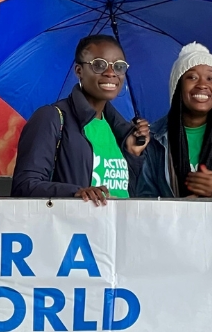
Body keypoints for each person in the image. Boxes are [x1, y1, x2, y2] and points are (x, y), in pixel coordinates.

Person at [11, 34, 150, 205]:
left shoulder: (120, 132)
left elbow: (125, 195)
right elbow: (24, 186)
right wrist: (75, 192)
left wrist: (132, 154)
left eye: (119, 67)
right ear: (79, 71)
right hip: (75, 229)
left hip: (116, 230)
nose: (111, 73)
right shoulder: (51, 117)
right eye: (99, 65)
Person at [137, 43, 212, 198]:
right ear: (177, 86)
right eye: (192, 77)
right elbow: (143, 198)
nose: (202, 85)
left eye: (211, 78)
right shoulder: (153, 137)